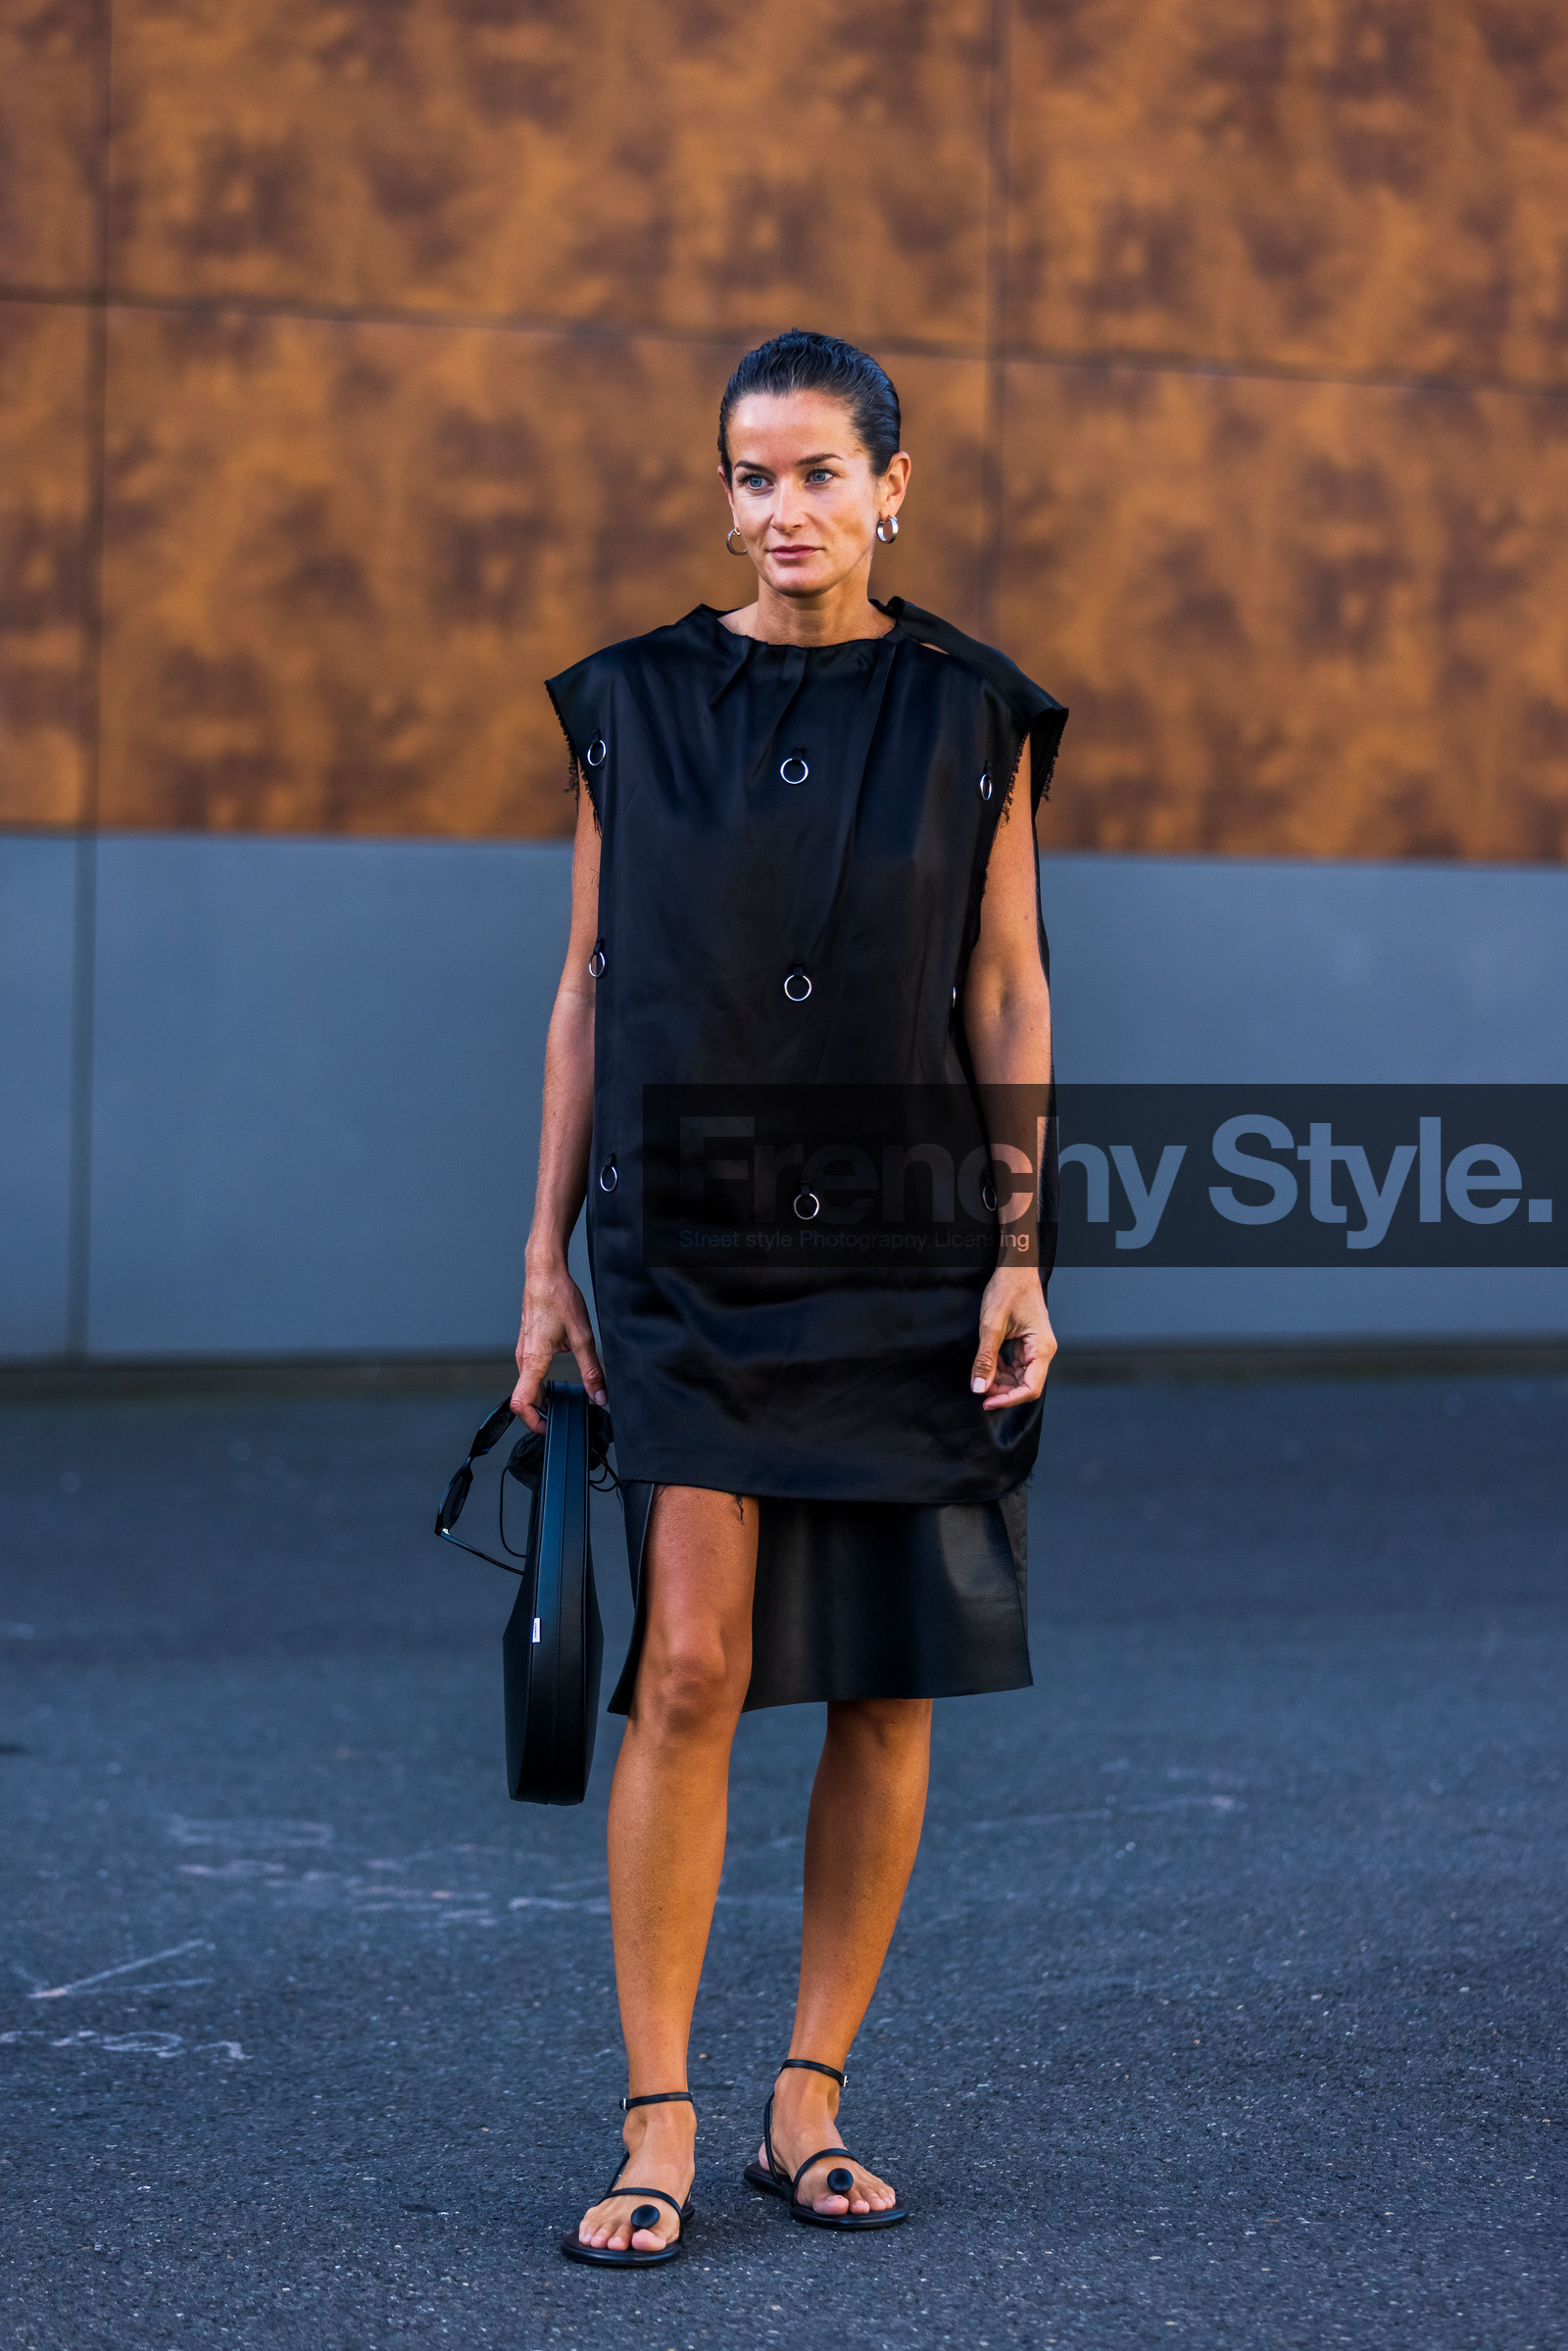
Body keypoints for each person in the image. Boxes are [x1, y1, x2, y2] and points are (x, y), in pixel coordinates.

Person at [512, 328, 1066, 2268]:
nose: (784, 510)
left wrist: (1013, 1241)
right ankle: (657, 2110)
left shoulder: (975, 712)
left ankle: (807, 2097)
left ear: (891, 487)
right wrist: (537, 1267)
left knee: (888, 1681)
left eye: (820, 473)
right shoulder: (629, 709)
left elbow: (1003, 988)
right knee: (685, 1663)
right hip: (677, 1242)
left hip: (910, 1238)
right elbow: (587, 983)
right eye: (752, 476)